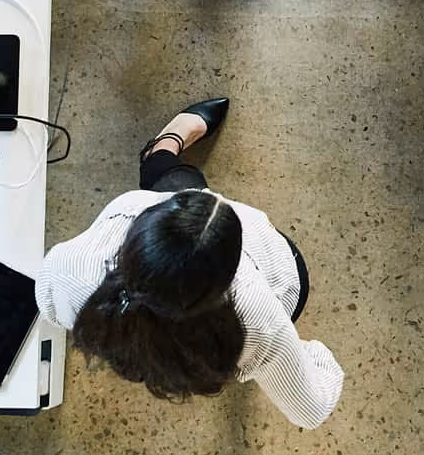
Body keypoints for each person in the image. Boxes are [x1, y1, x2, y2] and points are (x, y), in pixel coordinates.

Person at [35, 98, 344, 427]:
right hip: (266, 294)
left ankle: (163, 147)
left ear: (139, 233)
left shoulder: (80, 258)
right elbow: (311, 409)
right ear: (231, 274)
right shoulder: (261, 316)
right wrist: (309, 354)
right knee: (181, 179)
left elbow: (50, 305)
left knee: (168, 177)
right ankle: (163, 151)